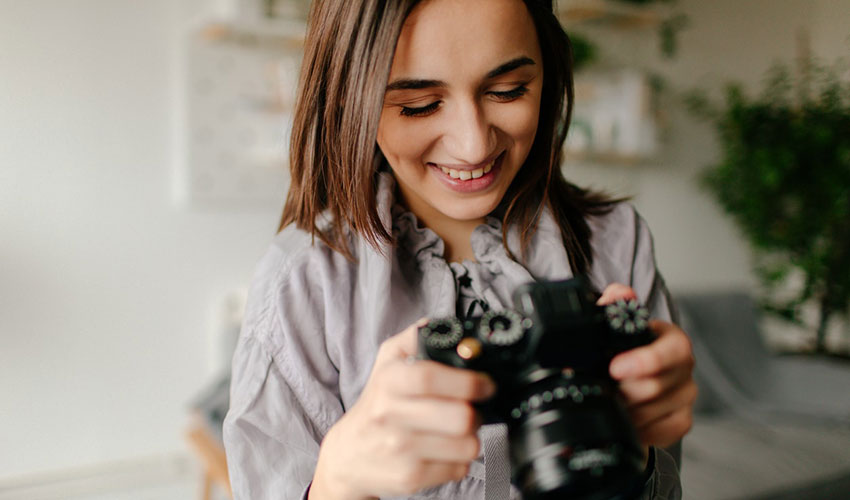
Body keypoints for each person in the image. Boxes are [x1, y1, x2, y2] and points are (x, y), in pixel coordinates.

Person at [223, 0, 697, 499]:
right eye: (419, 104)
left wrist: (637, 448)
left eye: (508, 90)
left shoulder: (616, 242)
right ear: (349, 100)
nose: (472, 146)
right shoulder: (302, 279)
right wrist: (340, 480)